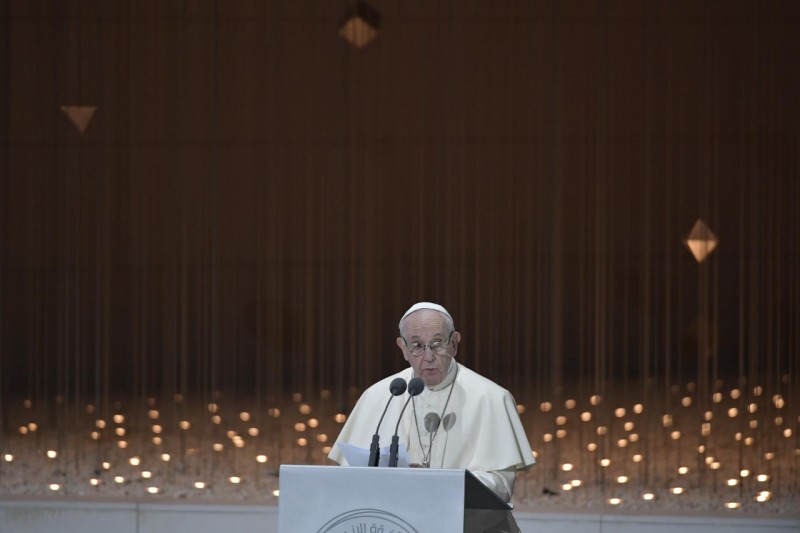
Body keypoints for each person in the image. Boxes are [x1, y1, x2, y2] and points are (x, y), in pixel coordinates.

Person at [328, 302, 535, 503]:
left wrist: (437, 483)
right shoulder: (378, 396)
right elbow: (350, 480)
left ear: (454, 343)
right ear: (403, 348)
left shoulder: (491, 398)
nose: (428, 357)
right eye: (417, 346)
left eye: (437, 343)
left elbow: (500, 489)